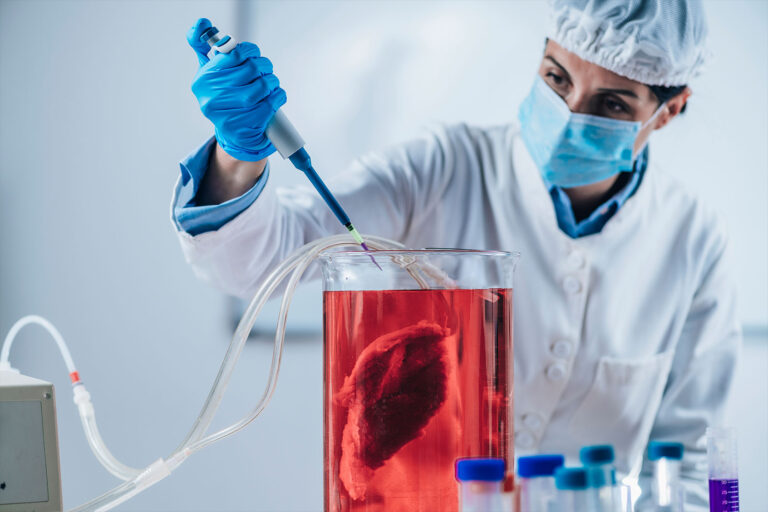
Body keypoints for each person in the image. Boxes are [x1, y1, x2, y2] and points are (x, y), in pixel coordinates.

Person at [171, 1, 740, 508]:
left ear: (669, 109)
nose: (569, 114)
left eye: (611, 104)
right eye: (556, 78)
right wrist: (237, 154)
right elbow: (259, 264)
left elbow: (701, 465)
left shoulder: (694, 241)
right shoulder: (441, 169)